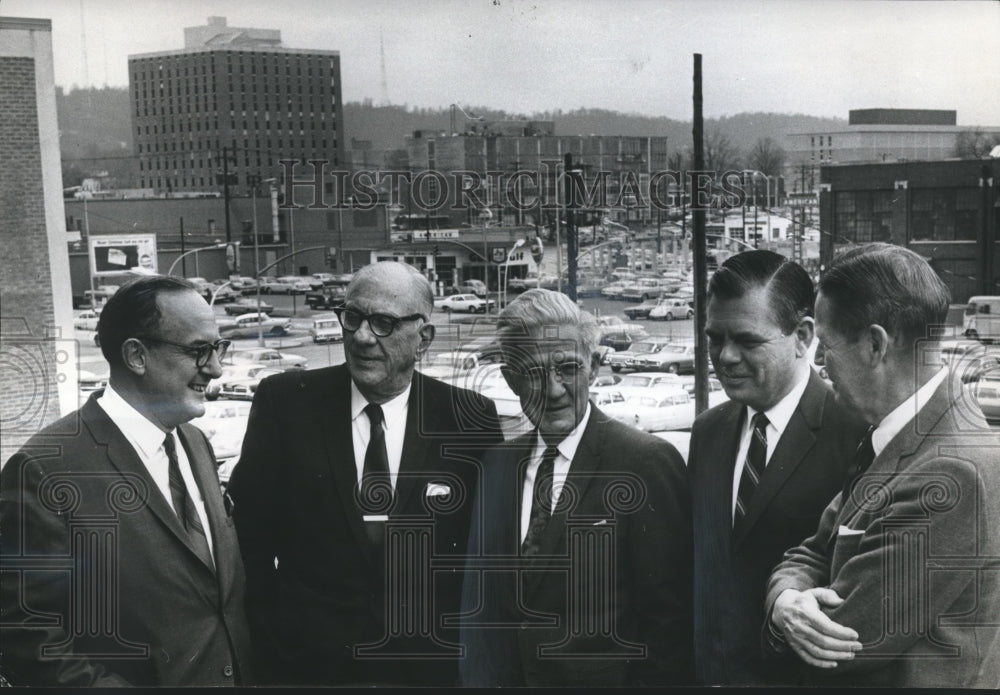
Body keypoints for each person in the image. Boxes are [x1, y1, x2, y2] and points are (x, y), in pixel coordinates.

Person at [228, 261, 503, 686]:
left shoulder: (467, 419)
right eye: (352, 317)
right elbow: (249, 539)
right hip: (307, 667)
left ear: (423, 338)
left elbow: (487, 555)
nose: (360, 336)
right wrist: (270, 643)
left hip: (428, 670)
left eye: (383, 323)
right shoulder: (286, 403)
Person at [765, 243, 1000, 687]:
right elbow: (813, 551)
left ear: (875, 344)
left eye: (827, 345)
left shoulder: (951, 473)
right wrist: (788, 601)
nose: (818, 363)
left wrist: (786, 601)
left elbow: (845, 639)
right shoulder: (902, 435)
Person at [0, 275, 253, 686]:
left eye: (219, 348)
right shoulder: (44, 469)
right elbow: (30, 638)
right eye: (198, 351)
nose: (216, 368)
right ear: (136, 355)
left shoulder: (195, 443)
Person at [459, 288, 693, 687]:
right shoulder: (496, 466)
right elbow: (482, 612)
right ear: (510, 380)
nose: (553, 390)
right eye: (533, 373)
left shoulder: (645, 462)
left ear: (594, 367)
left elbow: (669, 626)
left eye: (567, 367)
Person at [688, 250, 868, 685]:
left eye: (748, 341)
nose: (725, 356)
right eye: (715, 338)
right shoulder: (707, 432)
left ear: (804, 336)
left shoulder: (857, 434)